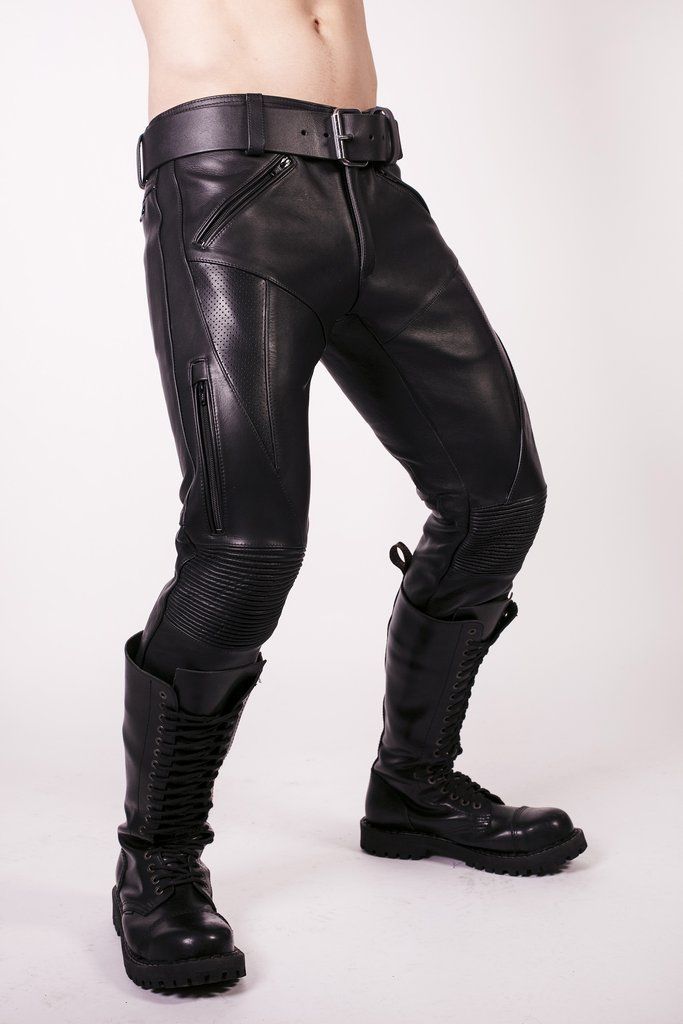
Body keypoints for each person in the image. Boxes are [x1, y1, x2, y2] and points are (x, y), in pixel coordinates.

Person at [113, 0, 587, 991]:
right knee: (243, 551)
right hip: (228, 191)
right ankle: (157, 859)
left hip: (375, 190)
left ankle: (413, 785)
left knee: (497, 498)